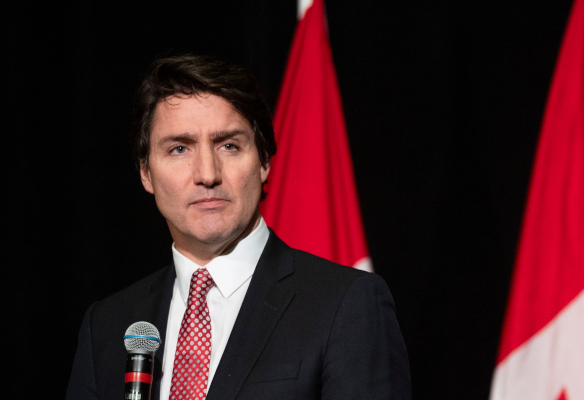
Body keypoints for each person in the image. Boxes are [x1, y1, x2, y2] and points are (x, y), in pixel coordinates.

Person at [65, 54, 411, 400]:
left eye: (229, 145)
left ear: (263, 161)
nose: (207, 174)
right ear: (146, 173)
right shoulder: (108, 325)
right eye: (180, 148)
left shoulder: (346, 305)